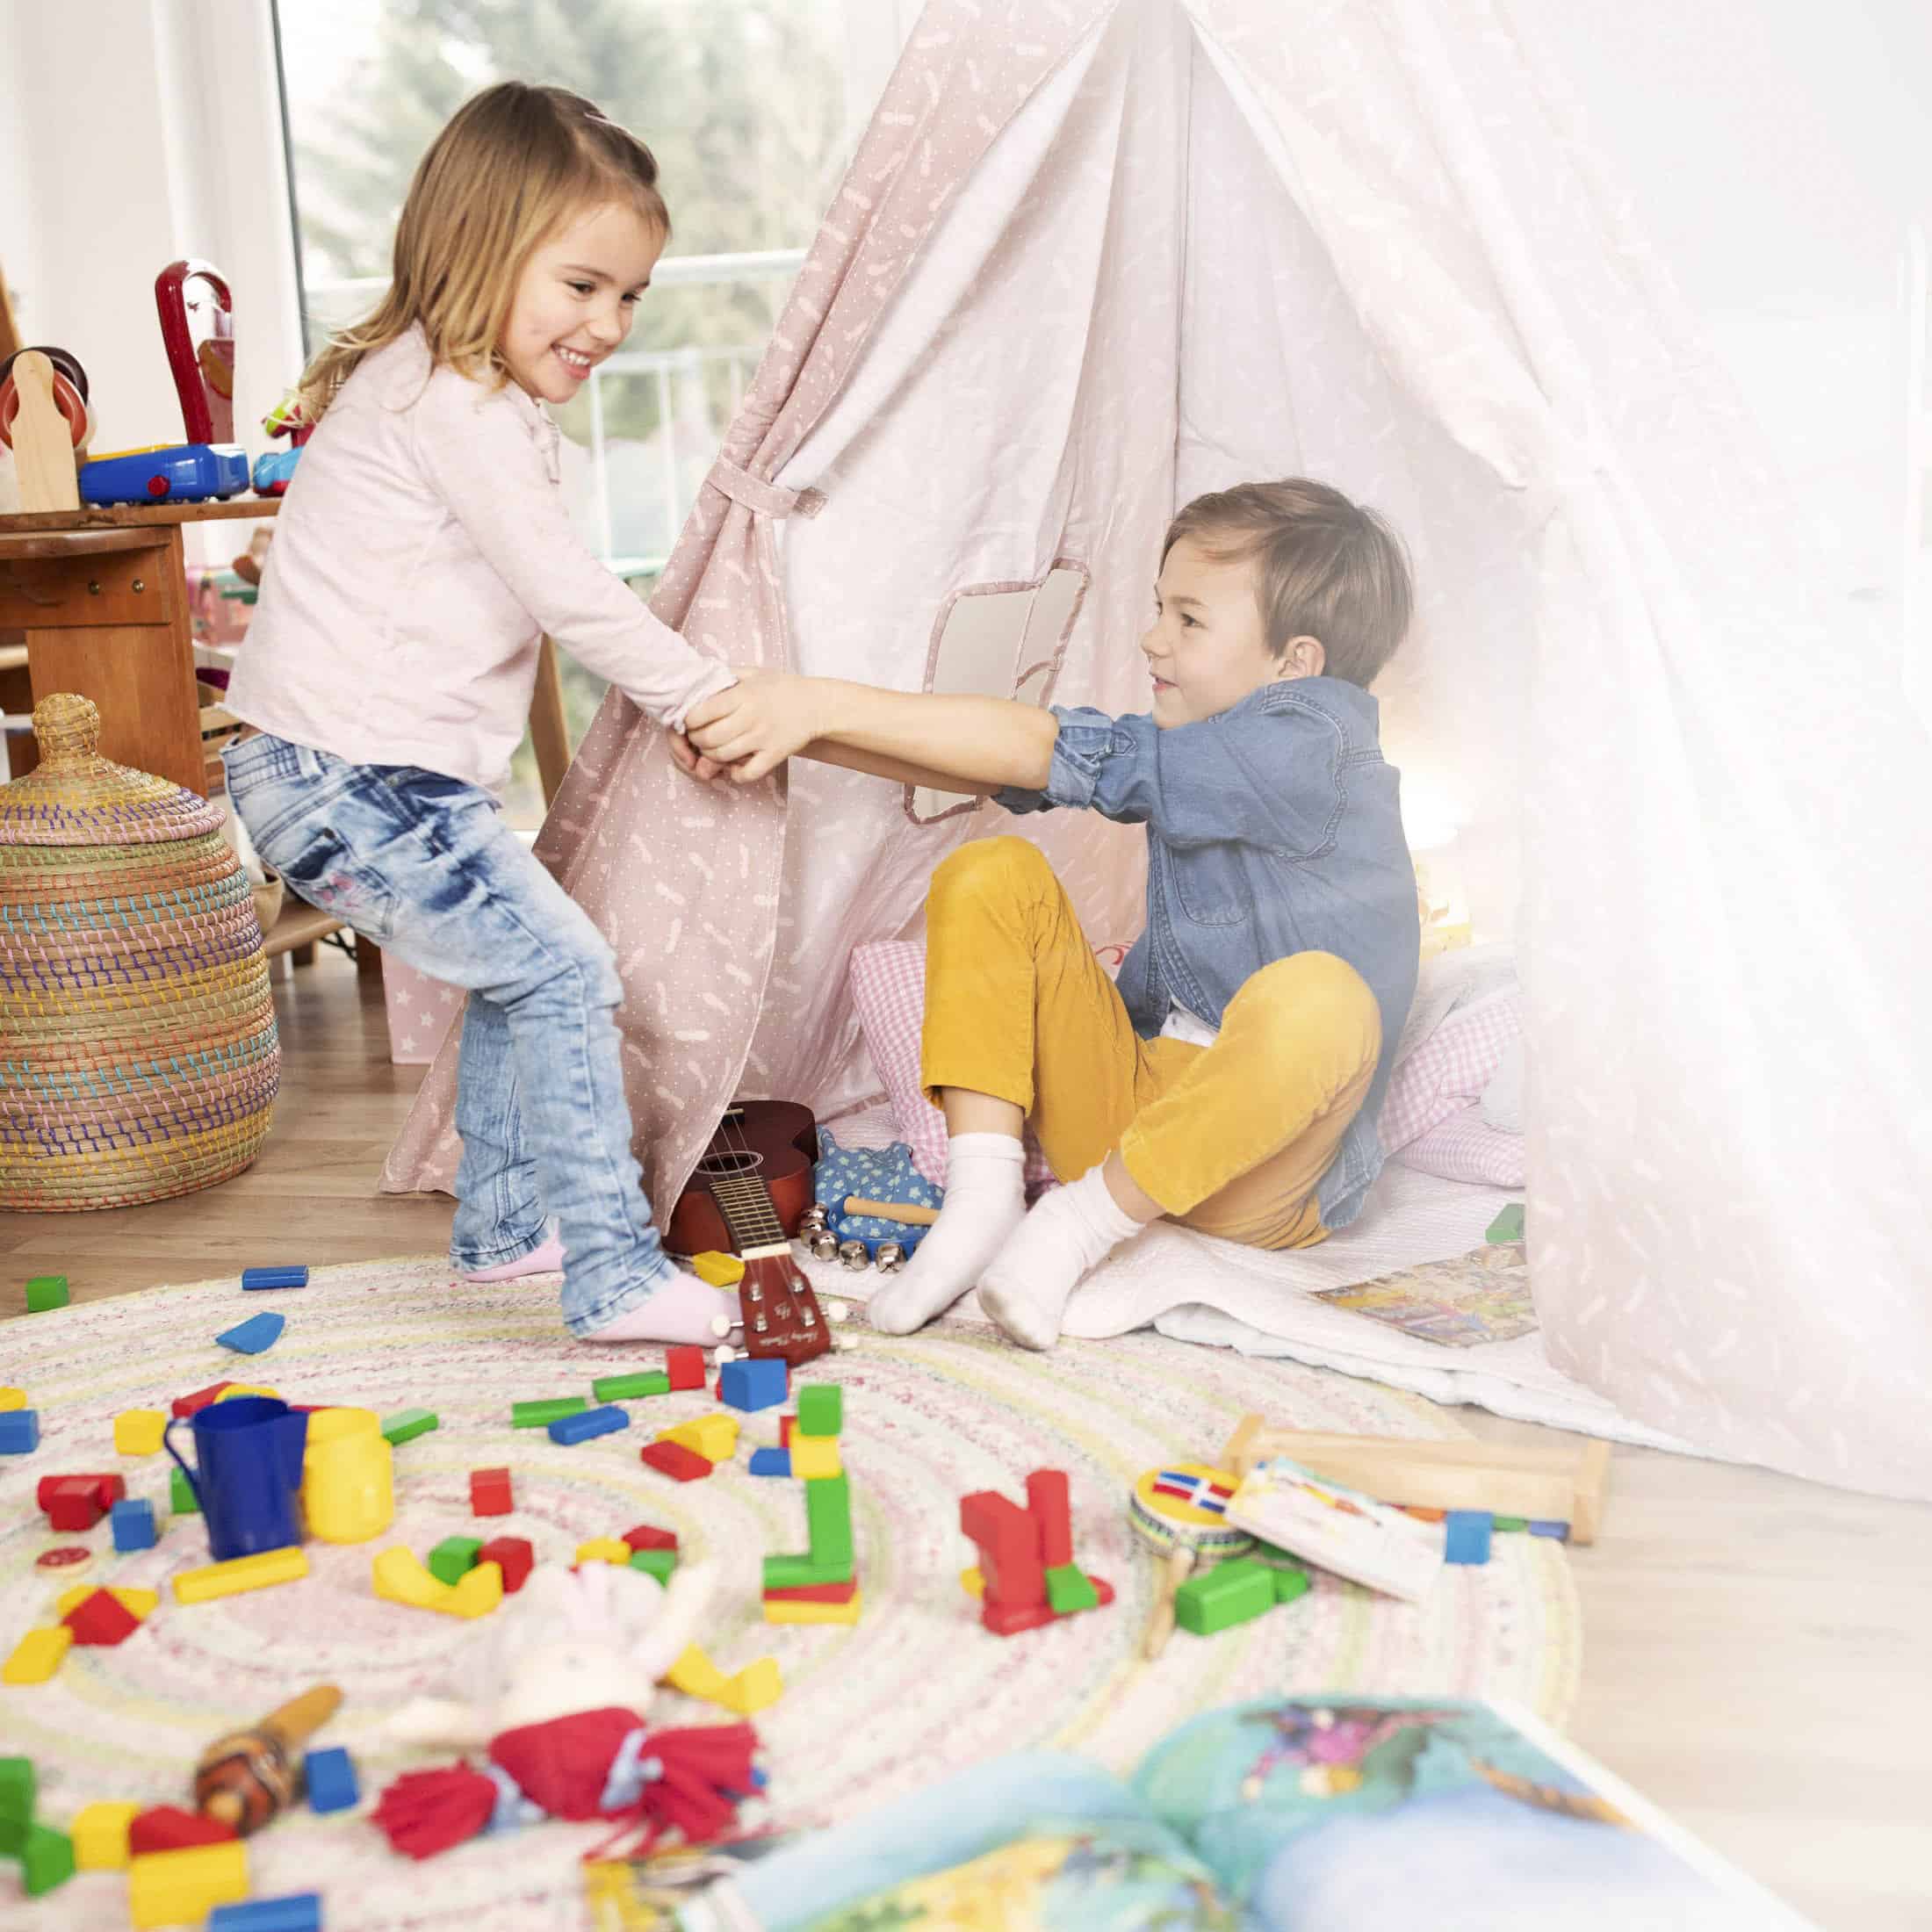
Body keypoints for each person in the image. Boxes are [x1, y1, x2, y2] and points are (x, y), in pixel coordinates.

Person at [223, 83, 737, 1344]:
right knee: (563, 970)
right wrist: (704, 692)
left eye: (630, 296)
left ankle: (507, 1230)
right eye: (581, 286)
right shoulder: (449, 402)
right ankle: (610, 1268)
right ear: (479, 250)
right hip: (345, 775)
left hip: (366, 775)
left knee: (521, 976)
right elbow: (566, 591)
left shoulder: (456, 397)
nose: (609, 324)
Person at [682, 479, 1420, 1348]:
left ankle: (1069, 1231)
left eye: (1189, 619)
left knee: (1321, 998)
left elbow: (1066, 750)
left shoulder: (1316, 740)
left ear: (1294, 665)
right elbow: (1026, 765)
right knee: (992, 869)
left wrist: (823, 703)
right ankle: (983, 1197)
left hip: (1257, 1171)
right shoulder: (1211, 752)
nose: (1152, 638)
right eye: (1159, 609)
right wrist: (792, 723)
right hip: (1127, 1127)